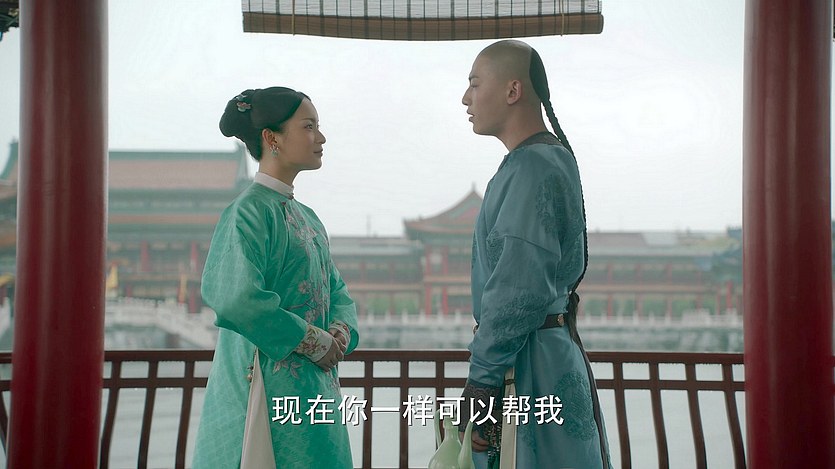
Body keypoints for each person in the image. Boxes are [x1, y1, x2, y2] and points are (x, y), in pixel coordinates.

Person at [458, 40, 612, 469]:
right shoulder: (551, 158)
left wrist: (482, 382)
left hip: (530, 365)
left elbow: (517, 289)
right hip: (554, 351)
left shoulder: (529, 167)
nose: (466, 98)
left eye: (475, 84)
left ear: (513, 90)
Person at [192, 87, 359, 468]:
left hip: (315, 384)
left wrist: (339, 331)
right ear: (272, 138)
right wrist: (311, 338)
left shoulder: (309, 218)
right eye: (309, 127)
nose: (321, 137)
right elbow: (235, 297)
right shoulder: (246, 213)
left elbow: (337, 290)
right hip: (265, 382)